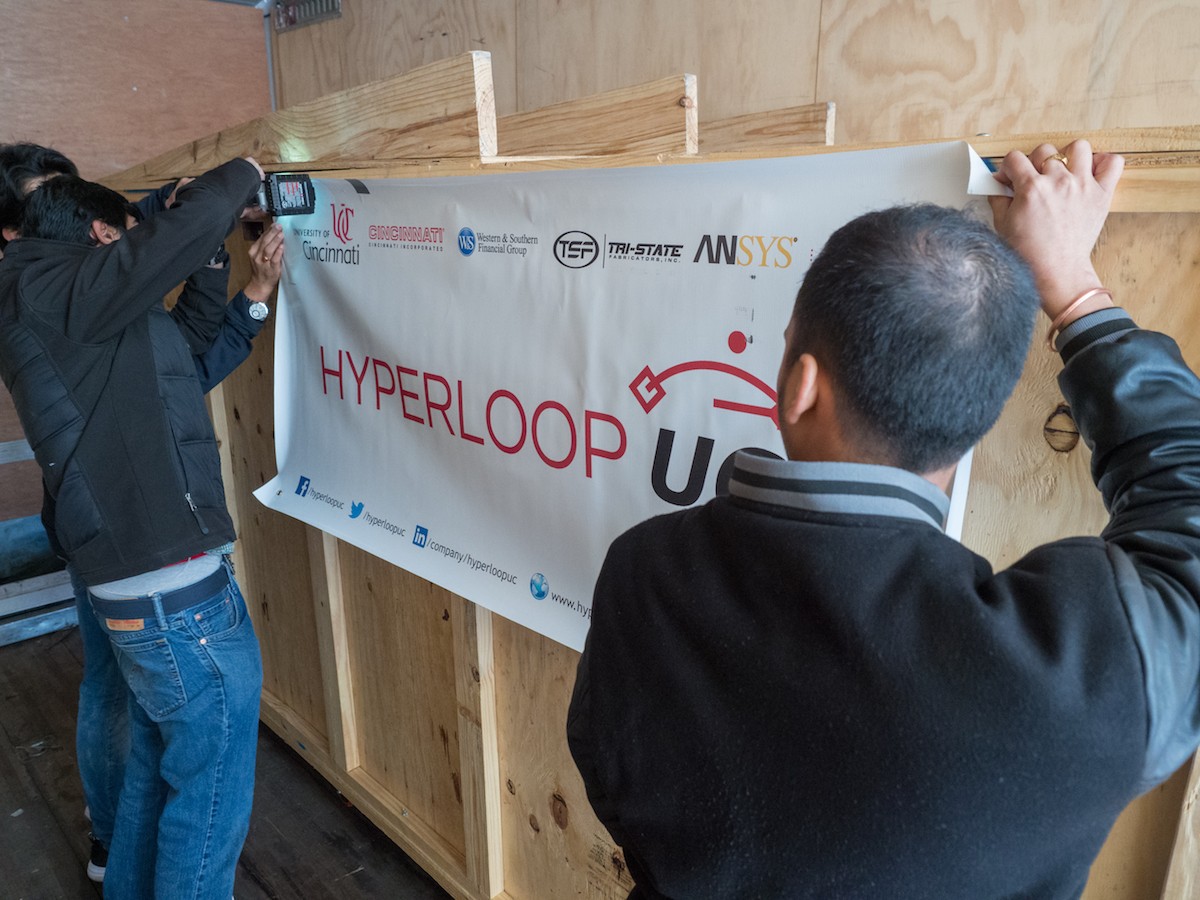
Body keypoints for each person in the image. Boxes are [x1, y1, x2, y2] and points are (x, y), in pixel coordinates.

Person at [567, 141, 1200, 899]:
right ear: (974, 426)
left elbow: (610, 781)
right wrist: (1078, 293)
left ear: (798, 385)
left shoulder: (643, 573)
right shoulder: (1073, 685)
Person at [0, 140, 281, 884]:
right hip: (169, 588)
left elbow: (181, 358)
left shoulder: (58, 297)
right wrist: (246, 173)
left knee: (160, 767)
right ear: (99, 236)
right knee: (211, 796)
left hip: (144, 580)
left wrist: (234, 278)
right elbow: (167, 244)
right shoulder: (58, 294)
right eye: (125, 238)